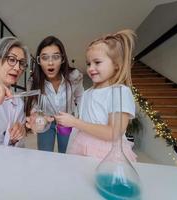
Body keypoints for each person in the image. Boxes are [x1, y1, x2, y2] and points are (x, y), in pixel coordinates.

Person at [54, 29, 137, 161]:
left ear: (116, 65)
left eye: (97, 62)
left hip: (107, 153)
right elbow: (84, 121)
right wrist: (66, 121)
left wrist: (75, 122)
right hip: (81, 146)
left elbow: (113, 133)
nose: (90, 68)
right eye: (88, 63)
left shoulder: (120, 92)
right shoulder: (87, 93)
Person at [25, 36, 84, 153]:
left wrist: (78, 121)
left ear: (62, 59)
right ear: (39, 61)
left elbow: (81, 97)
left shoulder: (74, 76)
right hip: (46, 120)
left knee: (67, 153)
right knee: (45, 154)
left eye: (56, 57)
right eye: (45, 58)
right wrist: (38, 118)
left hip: (67, 121)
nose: (50, 62)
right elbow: (34, 106)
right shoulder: (33, 81)